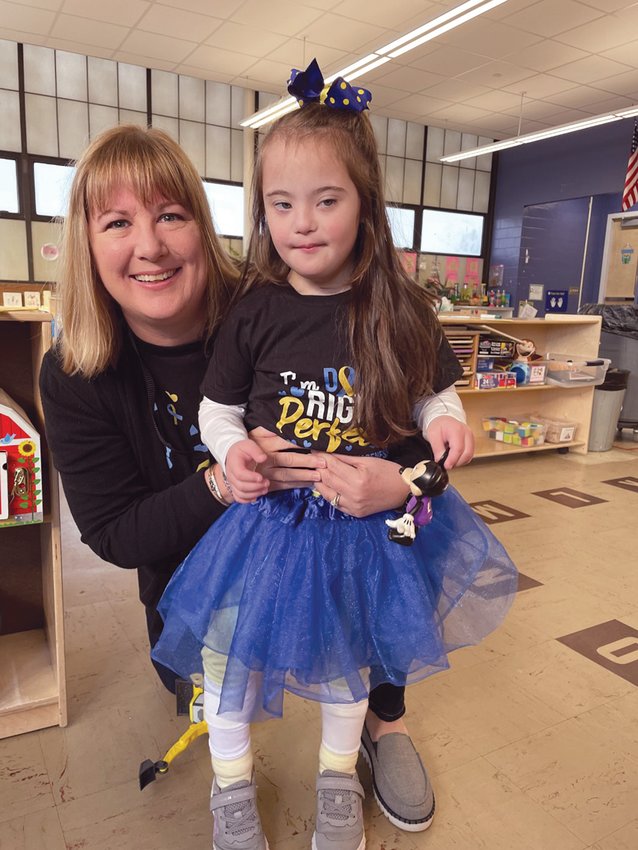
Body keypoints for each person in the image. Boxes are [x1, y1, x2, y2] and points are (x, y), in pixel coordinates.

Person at [38, 123, 450, 838]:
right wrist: (229, 479)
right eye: (117, 222)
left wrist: (405, 482)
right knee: (224, 671)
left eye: (171, 214)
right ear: (86, 241)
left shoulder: (277, 301)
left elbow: (416, 428)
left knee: (368, 608)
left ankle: (384, 727)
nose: (150, 246)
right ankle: (233, 785)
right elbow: (112, 533)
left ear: (206, 223)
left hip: (348, 531)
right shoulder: (79, 370)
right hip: (217, 570)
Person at [152, 61, 517, 850]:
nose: (304, 223)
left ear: (365, 205)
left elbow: (432, 395)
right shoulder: (255, 309)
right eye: (282, 204)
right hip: (266, 526)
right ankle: (231, 788)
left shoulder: (397, 305)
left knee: (352, 662)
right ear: (262, 211)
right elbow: (216, 410)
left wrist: (446, 421)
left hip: (366, 524)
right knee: (228, 660)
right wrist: (235, 448)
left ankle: (337, 778)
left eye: (327, 200)